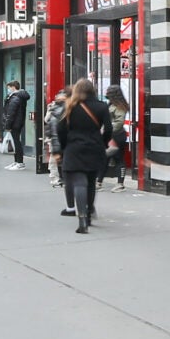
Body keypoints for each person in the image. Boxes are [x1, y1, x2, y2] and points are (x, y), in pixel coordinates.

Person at [54, 79, 111, 230]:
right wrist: (103, 142)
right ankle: (90, 211)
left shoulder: (71, 106)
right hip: (95, 148)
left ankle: (82, 219)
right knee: (91, 182)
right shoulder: (102, 106)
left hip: (74, 148)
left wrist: (64, 146)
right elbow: (109, 129)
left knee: (79, 182)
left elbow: (60, 129)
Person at [0, 80, 31, 168]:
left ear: (13, 87)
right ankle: (17, 161)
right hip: (17, 122)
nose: (8, 89)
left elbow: (11, 113)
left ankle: (19, 162)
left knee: (16, 142)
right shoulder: (17, 97)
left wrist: (7, 125)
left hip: (14, 123)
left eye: (9, 88)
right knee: (15, 142)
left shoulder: (15, 98)